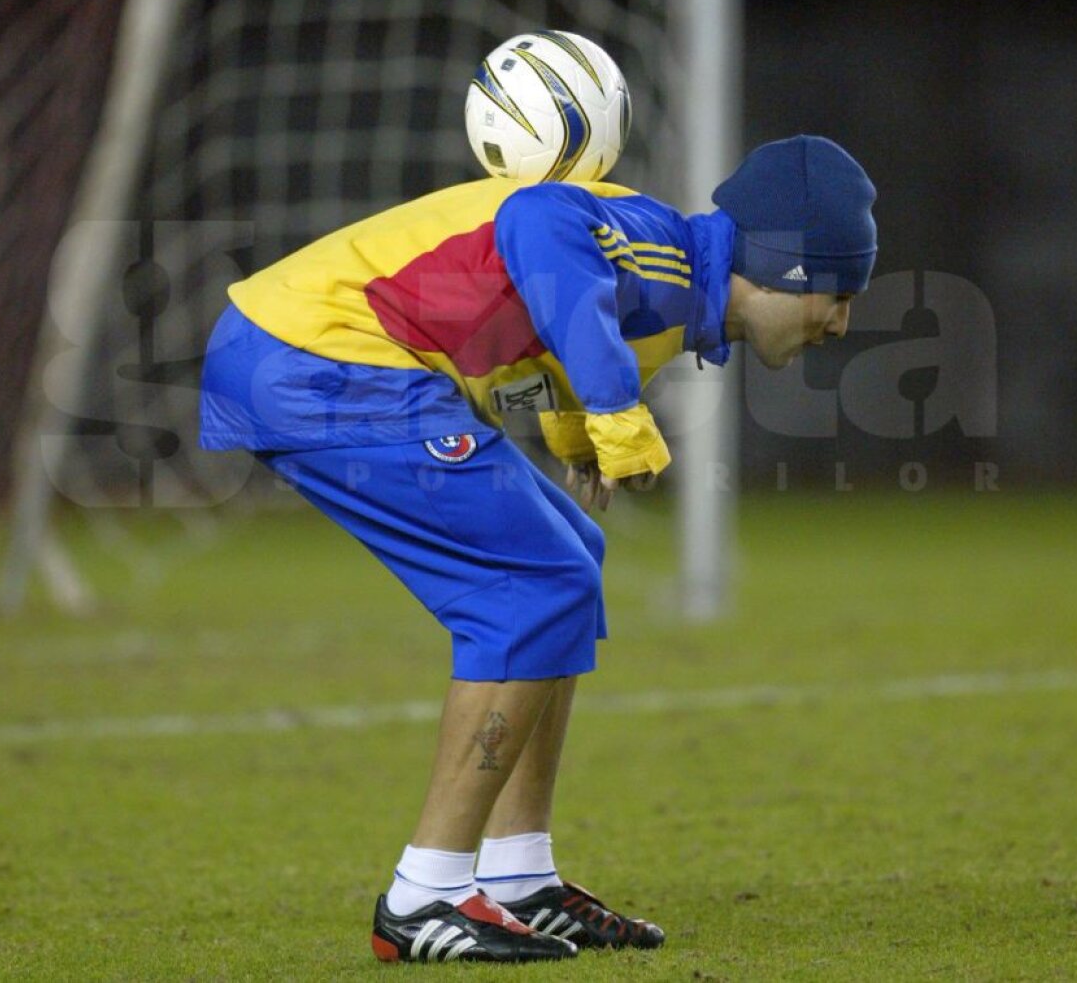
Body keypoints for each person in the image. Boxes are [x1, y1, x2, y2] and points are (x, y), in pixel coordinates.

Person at [199, 134, 878, 963]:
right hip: (316, 357)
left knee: (571, 557)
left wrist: (573, 424)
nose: (841, 321)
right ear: (788, 268)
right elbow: (535, 219)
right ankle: (426, 893)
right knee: (536, 578)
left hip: (318, 354)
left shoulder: (675, 284)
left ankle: (519, 874)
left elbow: (545, 313)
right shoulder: (664, 257)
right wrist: (615, 410)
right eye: (840, 291)